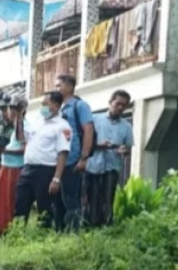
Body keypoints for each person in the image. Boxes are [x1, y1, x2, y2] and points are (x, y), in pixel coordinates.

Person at [13, 91, 71, 228]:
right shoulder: (37, 121)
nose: (42, 107)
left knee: (44, 210)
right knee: (20, 205)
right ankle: (16, 237)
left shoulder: (63, 126)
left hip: (45, 171)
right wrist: (19, 117)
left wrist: (56, 179)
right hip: (27, 169)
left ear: (56, 106)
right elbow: (21, 137)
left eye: (45, 104)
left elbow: (63, 154)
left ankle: (42, 239)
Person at [85, 89, 134, 228]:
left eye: (124, 106)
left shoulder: (127, 126)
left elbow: (128, 148)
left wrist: (124, 151)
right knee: (92, 199)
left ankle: (106, 227)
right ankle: (91, 228)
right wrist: (99, 146)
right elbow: (86, 144)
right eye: (118, 103)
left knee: (108, 199)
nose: (120, 108)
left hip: (111, 167)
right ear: (110, 102)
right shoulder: (94, 120)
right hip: (93, 166)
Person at [55, 73, 95, 232]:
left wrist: (84, 158)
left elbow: (88, 130)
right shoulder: (58, 108)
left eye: (59, 85)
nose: (56, 89)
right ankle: (59, 232)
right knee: (58, 201)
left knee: (71, 200)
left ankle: (73, 234)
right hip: (57, 161)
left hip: (72, 160)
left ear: (70, 87)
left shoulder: (80, 106)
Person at [0, 95, 31, 236]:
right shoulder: (12, 126)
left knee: (11, 201)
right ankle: (1, 229)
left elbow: (24, 149)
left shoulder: (25, 125)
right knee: (2, 201)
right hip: (6, 164)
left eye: (16, 108)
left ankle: (11, 230)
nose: (12, 111)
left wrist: (5, 150)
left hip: (16, 167)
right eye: (11, 108)